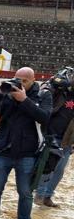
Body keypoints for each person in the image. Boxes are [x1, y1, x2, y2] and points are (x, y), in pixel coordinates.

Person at [0, 67, 51, 219]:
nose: (20, 83)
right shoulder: (6, 92)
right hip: (3, 150)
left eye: (24, 81)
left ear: (33, 80)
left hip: (27, 153)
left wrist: (24, 100)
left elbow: (45, 118)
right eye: (17, 79)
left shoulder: (42, 95)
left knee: (25, 192)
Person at [35, 68, 74, 208]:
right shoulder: (58, 90)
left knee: (59, 170)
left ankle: (48, 196)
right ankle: (39, 194)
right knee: (49, 166)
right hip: (52, 135)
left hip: (67, 139)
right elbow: (44, 89)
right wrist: (57, 82)